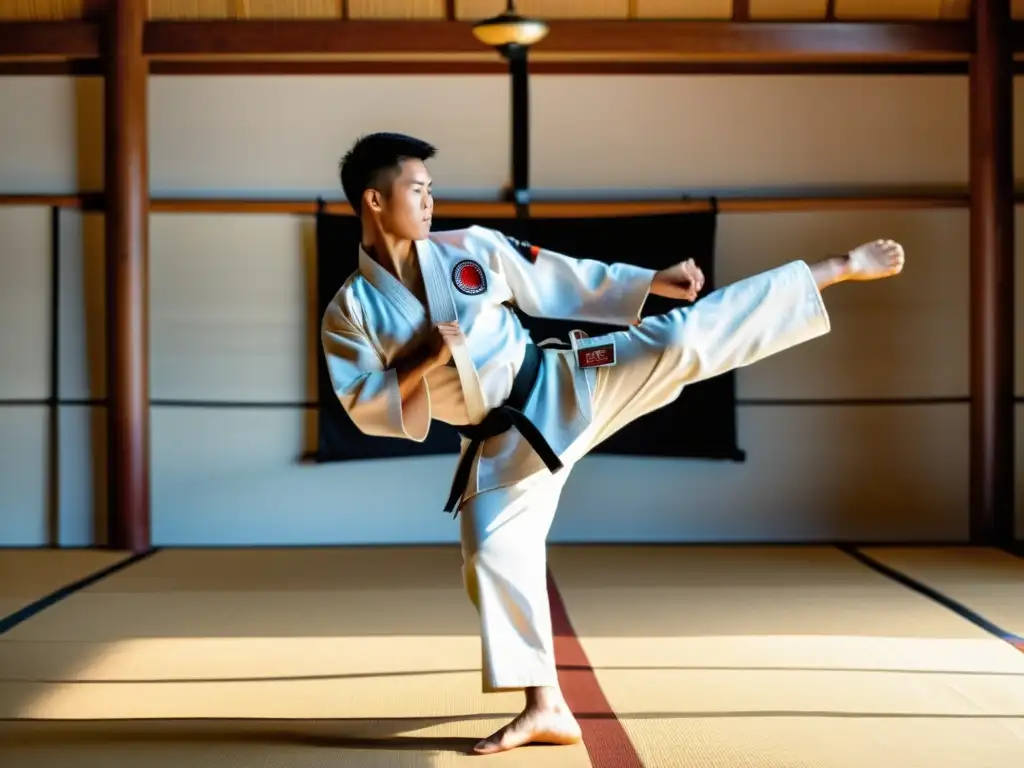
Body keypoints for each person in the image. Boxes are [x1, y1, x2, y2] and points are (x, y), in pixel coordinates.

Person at [321, 132, 906, 755]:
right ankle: (546, 707)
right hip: (498, 444)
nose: (431, 202)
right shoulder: (351, 310)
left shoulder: (469, 249)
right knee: (492, 553)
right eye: (417, 191)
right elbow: (364, 402)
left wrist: (651, 282)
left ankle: (832, 270)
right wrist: (421, 357)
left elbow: (560, 276)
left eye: (432, 191)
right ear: (374, 200)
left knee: (679, 341)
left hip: (566, 374)